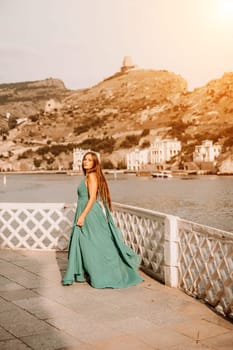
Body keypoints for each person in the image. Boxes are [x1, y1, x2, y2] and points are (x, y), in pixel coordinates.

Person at [62, 151, 143, 288]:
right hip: (85, 211)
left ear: (95, 163)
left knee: (97, 243)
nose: (85, 162)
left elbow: (93, 198)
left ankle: (108, 272)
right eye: (84, 159)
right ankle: (86, 271)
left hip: (89, 213)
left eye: (89, 160)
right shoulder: (88, 175)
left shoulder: (92, 176)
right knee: (86, 242)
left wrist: (82, 216)